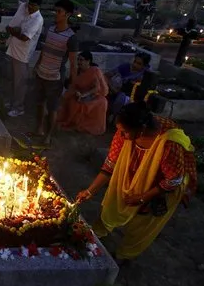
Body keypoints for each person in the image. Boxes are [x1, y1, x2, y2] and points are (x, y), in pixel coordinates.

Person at [76, 102, 197, 266]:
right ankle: (98, 231)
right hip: (132, 173)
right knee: (113, 203)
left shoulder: (169, 144)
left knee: (143, 221)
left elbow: (173, 180)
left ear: (141, 129)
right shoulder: (125, 131)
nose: (121, 135)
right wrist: (90, 191)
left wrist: (142, 197)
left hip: (161, 185)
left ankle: (124, 255)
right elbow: (110, 165)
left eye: (125, 132)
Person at [33, 0, 79, 145]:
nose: (56, 14)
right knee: (39, 103)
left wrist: (73, 83)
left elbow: (73, 63)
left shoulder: (71, 37)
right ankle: (39, 129)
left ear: (68, 15)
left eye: (59, 12)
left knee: (52, 108)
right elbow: (45, 50)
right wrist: (37, 64)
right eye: (55, 11)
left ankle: (48, 135)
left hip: (55, 78)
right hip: (41, 73)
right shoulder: (51, 29)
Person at [4, 0, 44, 117]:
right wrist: (14, 30)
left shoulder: (37, 19)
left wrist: (14, 31)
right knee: (11, 79)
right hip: (12, 49)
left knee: (20, 83)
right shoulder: (24, 9)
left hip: (22, 55)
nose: (30, 8)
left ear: (39, 6)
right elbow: (10, 27)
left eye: (33, 6)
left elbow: (24, 37)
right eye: (29, 4)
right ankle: (12, 102)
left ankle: (19, 107)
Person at [58, 51, 109, 135]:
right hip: (81, 95)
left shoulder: (94, 70)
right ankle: (73, 123)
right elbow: (74, 86)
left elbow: (97, 88)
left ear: (88, 61)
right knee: (71, 101)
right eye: (78, 60)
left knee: (89, 104)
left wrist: (83, 95)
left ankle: (85, 126)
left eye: (81, 60)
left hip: (95, 96)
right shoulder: (78, 71)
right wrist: (77, 93)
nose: (79, 62)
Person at [105, 52, 151, 118]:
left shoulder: (144, 75)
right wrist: (111, 87)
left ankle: (112, 117)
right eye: (135, 61)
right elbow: (106, 75)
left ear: (144, 66)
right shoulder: (126, 66)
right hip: (112, 88)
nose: (135, 65)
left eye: (139, 64)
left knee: (120, 99)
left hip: (128, 95)